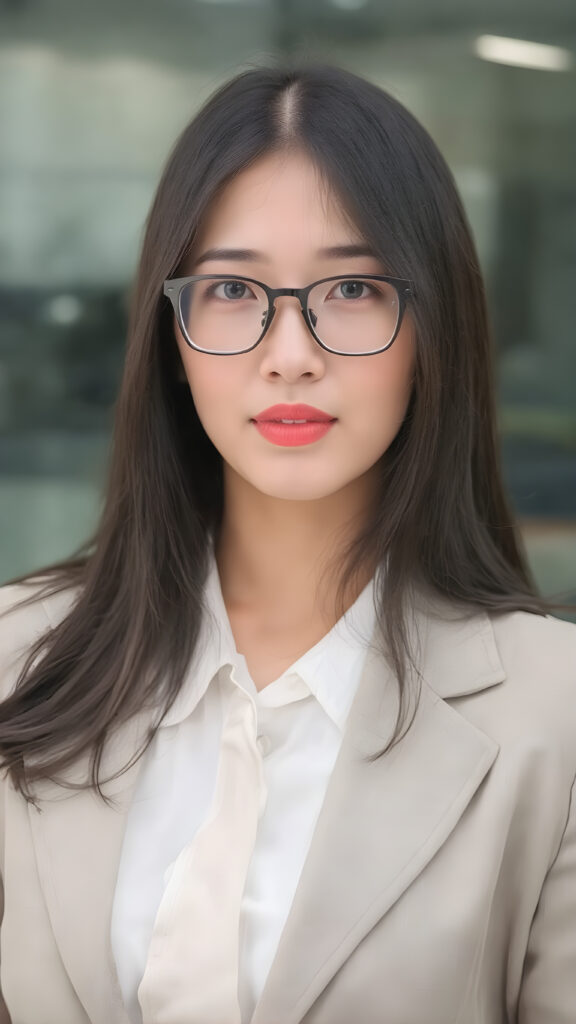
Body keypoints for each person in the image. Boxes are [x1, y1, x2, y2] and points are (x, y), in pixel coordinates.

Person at [0, 61, 575, 1024]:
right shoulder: (18, 655)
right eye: (233, 289)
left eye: (350, 287)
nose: (291, 352)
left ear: (432, 329)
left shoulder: (555, 711)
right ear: (171, 336)